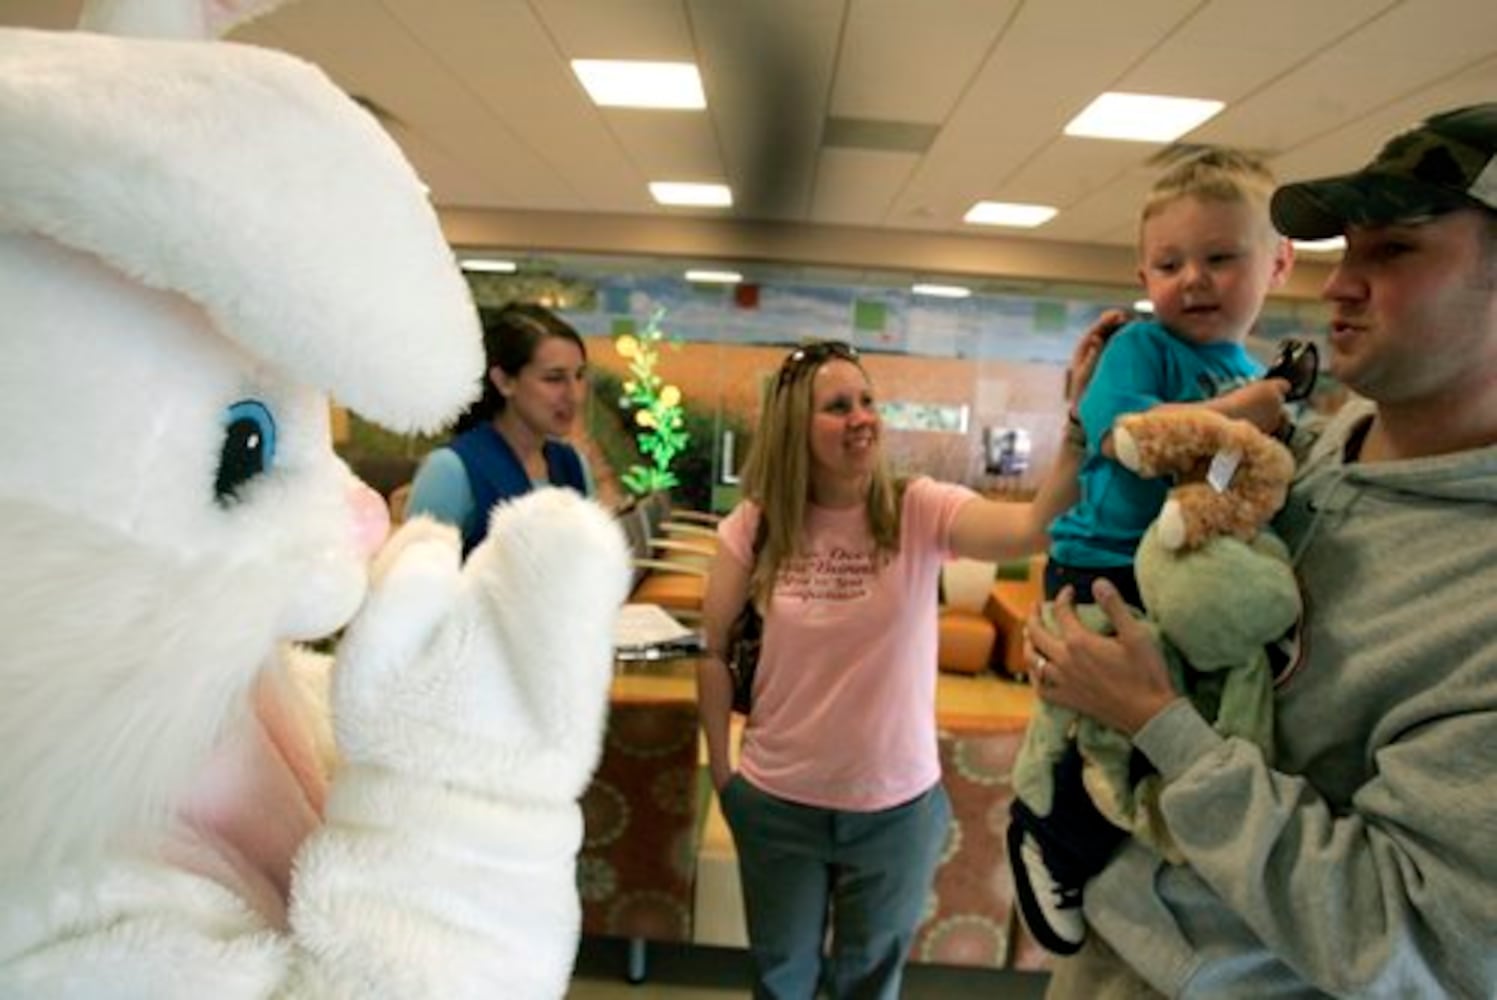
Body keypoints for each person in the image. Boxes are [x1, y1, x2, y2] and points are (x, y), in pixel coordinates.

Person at [1029, 103, 1497, 997]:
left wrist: (1161, 728)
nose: (1336, 286)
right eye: (1344, 251)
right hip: (1105, 957)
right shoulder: (1301, 458)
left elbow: (1418, 945)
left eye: (1392, 251)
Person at [697, 332, 1104, 1000]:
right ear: (794, 424)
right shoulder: (756, 523)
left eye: (866, 400)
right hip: (776, 801)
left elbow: (1032, 527)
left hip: (894, 809)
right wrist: (723, 774)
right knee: (780, 980)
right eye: (836, 406)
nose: (861, 418)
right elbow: (712, 653)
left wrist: (1079, 418)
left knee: (868, 984)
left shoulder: (918, 509)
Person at [1009, 148, 1298, 955]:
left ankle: (1112, 838)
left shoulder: (1241, 368)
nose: (1192, 280)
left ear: (1277, 262)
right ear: (1141, 271)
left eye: (1219, 258)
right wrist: (1241, 414)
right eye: (1169, 264)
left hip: (1179, 568)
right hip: (1103, 562)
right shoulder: (1142, 348)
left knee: (1172, 723)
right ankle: (1049, 835)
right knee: (1097, 715)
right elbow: (1124, 435)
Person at [405, 303, 593, 554]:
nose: (574, 395)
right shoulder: (452, 470)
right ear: (504, 381)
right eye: (554, 379)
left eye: (579, 376)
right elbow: (416, 583)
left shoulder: (573, 465)